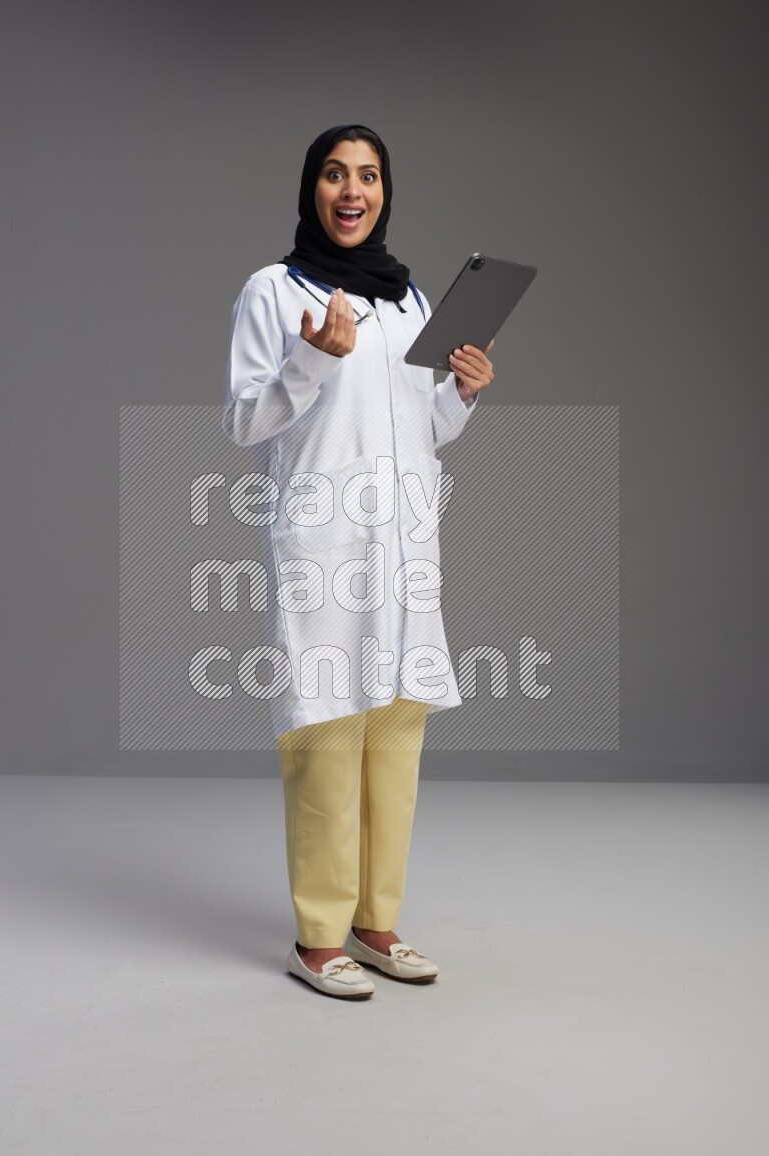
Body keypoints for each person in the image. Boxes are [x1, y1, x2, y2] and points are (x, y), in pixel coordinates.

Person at [222, 124, 494, 999]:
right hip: (324, 547)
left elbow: (427, 429)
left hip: (405, 544)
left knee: (397, 739)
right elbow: (242, 424)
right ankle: (317, 938)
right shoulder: (273, 291)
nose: (352, 191)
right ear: (312, 189)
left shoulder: (410, 298)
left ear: (384, 191)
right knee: (327, 738)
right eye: (335, 175)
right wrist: (310, 356)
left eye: (368, 177)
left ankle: (377, 924)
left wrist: (461, 391)